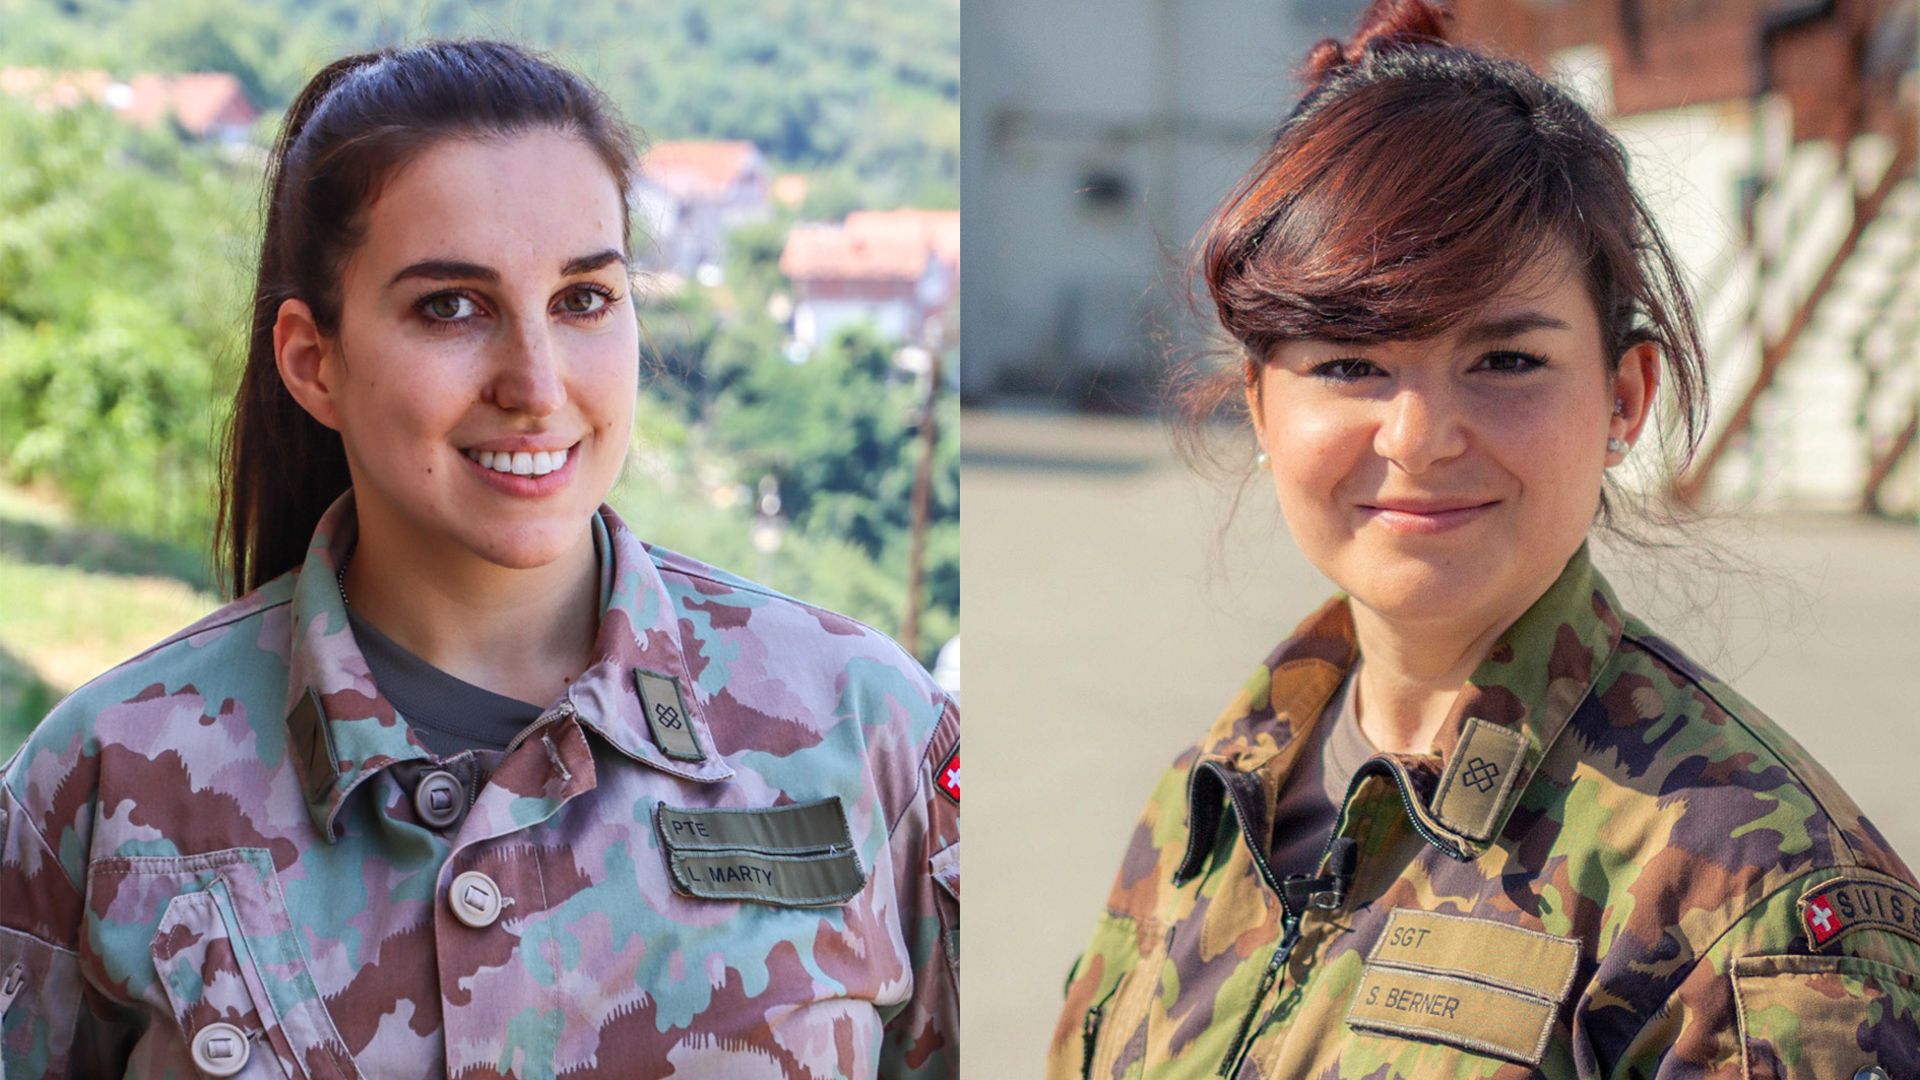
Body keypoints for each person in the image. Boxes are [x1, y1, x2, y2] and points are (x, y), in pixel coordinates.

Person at [0, 41, 958, 1078]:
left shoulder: (869, 735)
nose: (535, 383)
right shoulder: (101, 783)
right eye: (451, 307)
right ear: (312, 362)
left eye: (583, 299)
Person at [1047, 2, 1918, 1076]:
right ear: (1261, 408)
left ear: (1624, 399)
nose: (1419, 439)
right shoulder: (1207, 811)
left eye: (1506, 362)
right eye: (1350, 364)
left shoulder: (1750, 904)